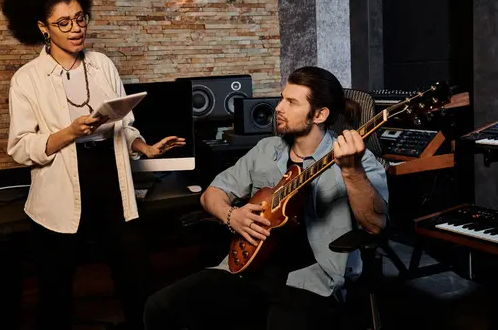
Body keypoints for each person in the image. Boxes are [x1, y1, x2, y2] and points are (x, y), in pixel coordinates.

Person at [1, 0, 185, 330]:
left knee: (135, 277)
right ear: (42, 28)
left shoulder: (102, 65)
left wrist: (144, 148)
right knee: (55, 289)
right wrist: (69, 132)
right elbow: (20, 147)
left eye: (80, 18)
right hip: (58, 191)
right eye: (63, 22)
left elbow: (124, 125)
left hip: (111, 181)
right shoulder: (26, 79)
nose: (76, 28)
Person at [143, 66, 389, 330]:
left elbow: (375, 224)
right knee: (159, 307)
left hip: (311, 282)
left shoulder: (358, 162)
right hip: (248, 269)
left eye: (291, 102)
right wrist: (232, 215)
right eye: (282, 98)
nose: (278, 107)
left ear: (319, 114)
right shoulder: (265, 150)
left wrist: (351, 171)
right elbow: (211, 194)